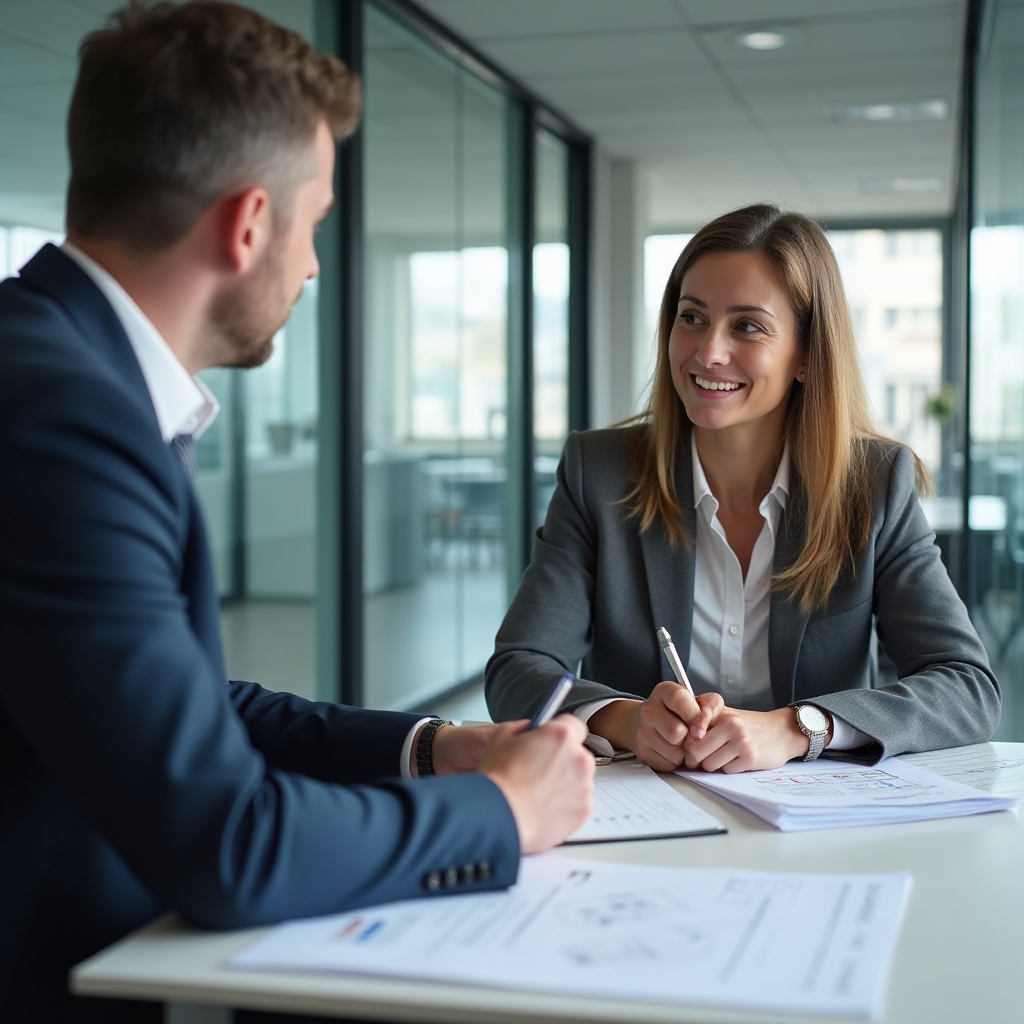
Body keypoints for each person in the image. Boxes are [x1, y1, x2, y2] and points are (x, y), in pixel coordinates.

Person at [0, 4, 594, 1022]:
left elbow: (169, 705)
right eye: (313, 221)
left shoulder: (52, 369)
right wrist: (499, 810)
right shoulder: (65, 419)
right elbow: (222, 839)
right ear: (248, 225)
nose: (314, 265)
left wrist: (427, 749)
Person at [487, 203, 1000, 774]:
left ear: (806, 354)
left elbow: (967, 688)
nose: (708, 352)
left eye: (748, 326)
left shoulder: (874, 484)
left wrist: (797, 728)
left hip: (816, 823)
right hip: (646, 814)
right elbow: (519, 669)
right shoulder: (599, 471)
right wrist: (626, 719)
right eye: (692, 317)